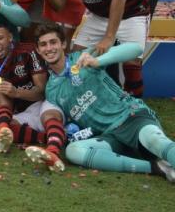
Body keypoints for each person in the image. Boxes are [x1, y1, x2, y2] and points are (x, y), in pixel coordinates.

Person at [34, 23, 175, 182]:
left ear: (64, 44)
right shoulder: (51, 90)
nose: (49, 48)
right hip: (109, 136)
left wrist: (98, 61)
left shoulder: (84, 56)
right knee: (73, 151)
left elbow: (136, 49)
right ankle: (157, 168)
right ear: (38, 51)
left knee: (156, 142)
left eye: (53, 42)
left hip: (131, 117)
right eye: (43, 44)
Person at [0, 22, 66, 171]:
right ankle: (48, 137)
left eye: (0, 38)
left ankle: (53, 152)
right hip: (22, 113)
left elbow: (41, 92)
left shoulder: (28, 52)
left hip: (42, 103)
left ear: (10, 38)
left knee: (49, 115)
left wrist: (16, 92)